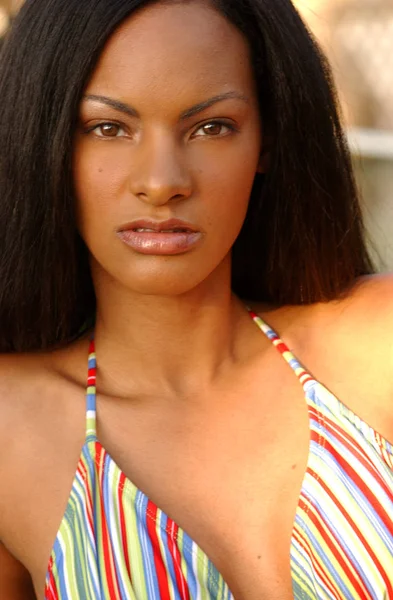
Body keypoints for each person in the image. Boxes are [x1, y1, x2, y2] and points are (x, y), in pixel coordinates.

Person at [0, 0, 392, 598]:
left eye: (211, 127)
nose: (162, 181)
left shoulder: (377, 345)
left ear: (267, 141)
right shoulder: (12, 430)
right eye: (108, 128)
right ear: (44, 141)